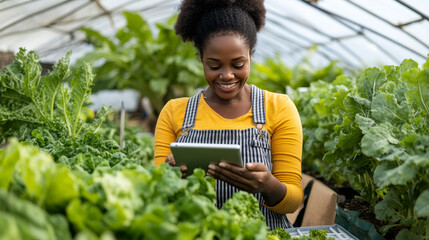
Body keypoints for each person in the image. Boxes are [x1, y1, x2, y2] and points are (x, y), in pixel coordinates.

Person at [154, 0, 303, 229]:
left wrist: (268, 186)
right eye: (214, 66)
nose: (226, 76)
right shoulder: (175, 112)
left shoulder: (279, 107)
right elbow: (157, 192)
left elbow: (293, 201)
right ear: (201, 58)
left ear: (251, 55)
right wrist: (169, 176)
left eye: (238, 64)